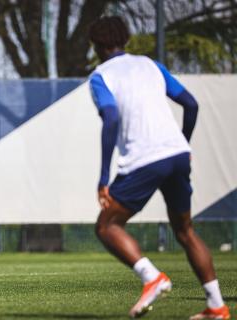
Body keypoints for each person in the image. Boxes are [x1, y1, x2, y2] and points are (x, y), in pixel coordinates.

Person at [88, 16, 230, 319]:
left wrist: (103, 178)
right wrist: (185, 144)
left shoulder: (101, 76)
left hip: (145, 158)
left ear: (98, 46)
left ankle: (151, 276)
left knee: (106, 225)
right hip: (177, 154)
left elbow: (111, 118)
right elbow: (191, 104)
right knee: (185, 231)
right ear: (125, 39)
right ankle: (216, 306)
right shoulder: (151, 65)